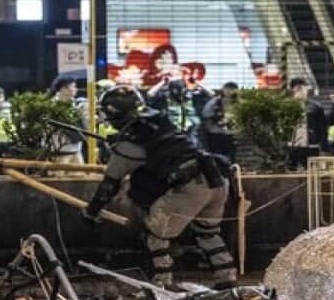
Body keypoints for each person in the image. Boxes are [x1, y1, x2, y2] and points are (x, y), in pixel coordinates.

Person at [82, 86, 237, 289]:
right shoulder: (160, 122)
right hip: (215, 179)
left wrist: (91, 212)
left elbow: (110, 183)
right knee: (207, 233)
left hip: (189, 187)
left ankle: (161, 284)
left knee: (155, 234)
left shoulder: (131, 142)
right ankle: (227, 279)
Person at [49, 77, 88, 164]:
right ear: (63, 88)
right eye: (73, 86)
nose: (75, 89)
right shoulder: (54, 105)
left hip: (76, 149)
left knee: (81, 176)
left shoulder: (73, 104)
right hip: (61, 150)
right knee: (59, 176)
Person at [200, 82, 239, 165]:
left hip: (229, 134)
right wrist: (218, 118)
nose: (229, 92)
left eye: (232, 90)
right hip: (215, 133)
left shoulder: (236, 103)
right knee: (216, 156)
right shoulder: (214, 102)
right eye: (227, 89)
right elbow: (205, 115)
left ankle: (230, 171)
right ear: (223, 90)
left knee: (230, 157)